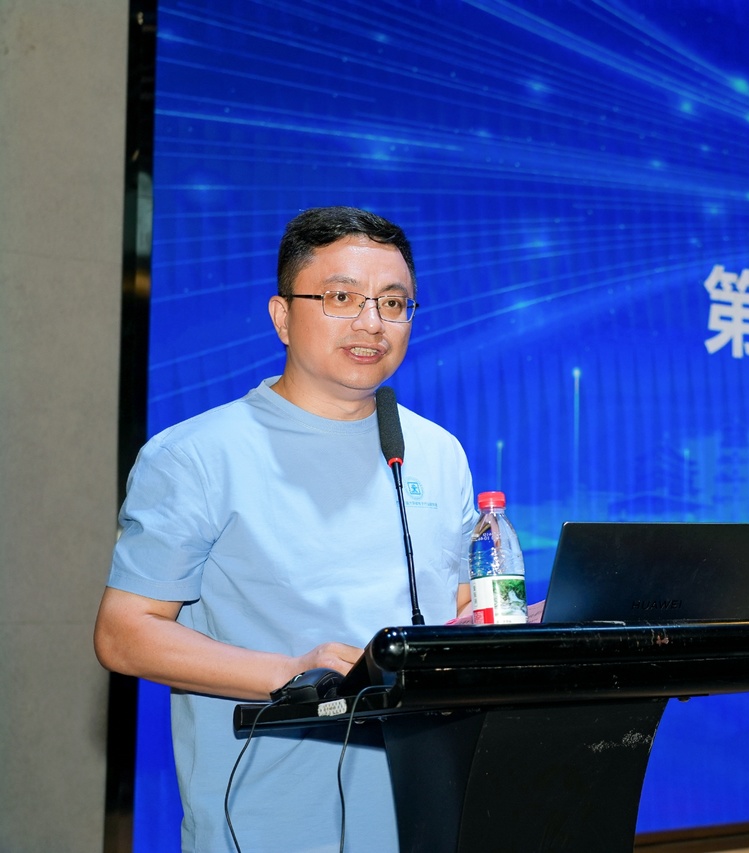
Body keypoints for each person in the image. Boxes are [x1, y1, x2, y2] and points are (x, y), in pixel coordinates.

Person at [94, 206, 479, 852]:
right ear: (281, 316)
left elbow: (457, 610)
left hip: (428, 816)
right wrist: (291, 671)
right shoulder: (195, 455)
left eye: (393, 302)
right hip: (265, 826)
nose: (371, 322)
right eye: (341, 297)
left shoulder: (439, 453)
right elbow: (123, 633)